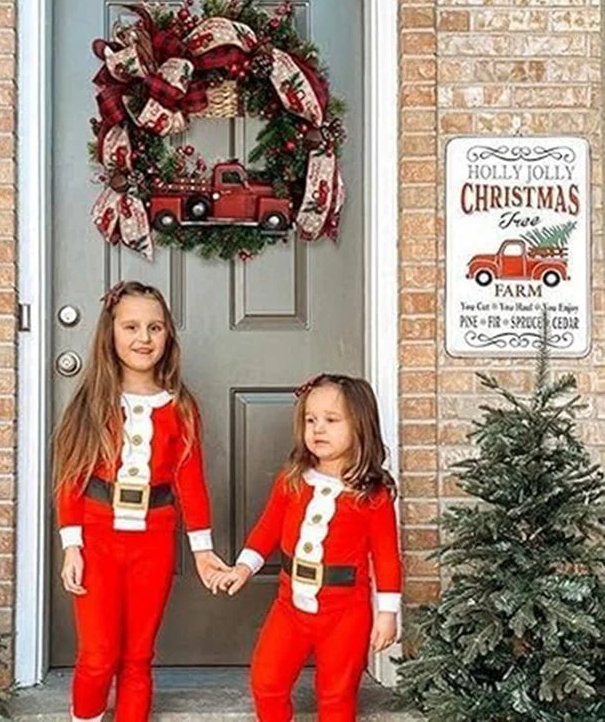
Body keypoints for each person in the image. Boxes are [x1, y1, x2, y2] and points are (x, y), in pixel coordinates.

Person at [53, 280, 228, 722]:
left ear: (168, 336)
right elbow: (71, 478)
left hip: (154, 541)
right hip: (97, 539)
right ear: (110, 334)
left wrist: (203, 553)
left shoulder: (182, 408)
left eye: (155, 327)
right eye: (131, 326)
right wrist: (71, 545)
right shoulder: (91, 404)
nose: (143, 338)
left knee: (137, 655)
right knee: (97, 655)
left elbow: (192, 483)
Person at [212, 373, 402, 722]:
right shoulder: (293, 478)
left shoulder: (372, 495)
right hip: (290, 606)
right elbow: (267, 529)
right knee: (266, 681)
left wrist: (388, 613)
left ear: (360, 426)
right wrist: (243, 567)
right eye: (310, 420)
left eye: (331, 420)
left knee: (336, 696)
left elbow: (387, 557)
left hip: (347, 612)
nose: (317, 429)